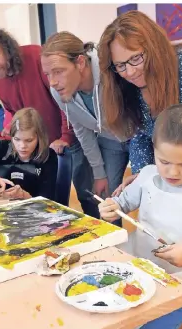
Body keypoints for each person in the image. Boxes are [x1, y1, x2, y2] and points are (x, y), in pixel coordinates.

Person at [99, 104, 182, 329]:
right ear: (154, 149)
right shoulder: (147, 175)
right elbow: (122, 203)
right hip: (133, 267)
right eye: (164, 161)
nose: (172, 173)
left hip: (177, 283)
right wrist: (111, 207)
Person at [0, 25, 99, 217]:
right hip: (38, 147)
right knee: (51, 198)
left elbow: (64, 97)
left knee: (86, 193)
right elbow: (12, 109)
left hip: (66, 139)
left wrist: (65, 135)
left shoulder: (34, 56)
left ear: (7, 50)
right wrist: (11, 127)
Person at [98, 10, 182, 195]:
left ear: (155, 48)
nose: (130, 72)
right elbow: (142, 134)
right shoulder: (128, 87)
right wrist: (142, 172)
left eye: (136, 58)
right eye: (120, 65)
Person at [41, 31, 130, 224]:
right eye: (48, 74)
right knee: (108, 201)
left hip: (140, 138)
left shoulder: (111, 71)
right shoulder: (59, 93)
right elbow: (82, 131)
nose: (52, 82)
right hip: (110, 142)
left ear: (80, 63)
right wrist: (99, 174)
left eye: (58, 71)